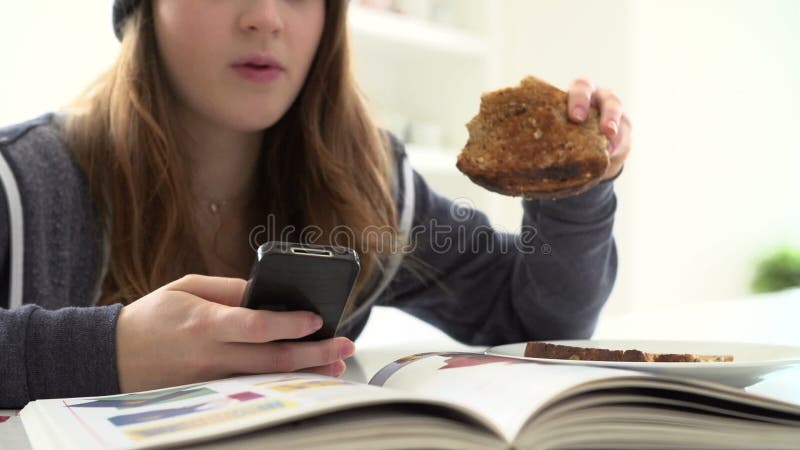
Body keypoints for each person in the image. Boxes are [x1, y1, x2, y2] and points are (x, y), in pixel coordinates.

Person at [0, 0, 631, 409]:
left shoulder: (371, 187)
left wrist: (575, 184)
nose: (267, 17)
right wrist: (109, 353)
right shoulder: (20, 185)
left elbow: (532, 322)